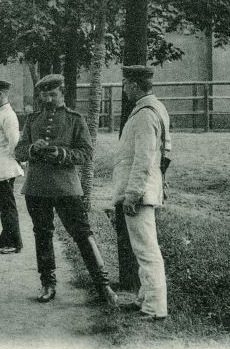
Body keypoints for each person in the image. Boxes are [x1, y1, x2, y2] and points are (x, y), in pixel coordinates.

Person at [15, 74, 117, 306]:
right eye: (44, 95)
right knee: (42, 234)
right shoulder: (33, 120)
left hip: (67, 188)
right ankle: (48, 284)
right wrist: (33, 148)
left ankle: (103, 286)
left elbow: (86, 153)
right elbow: (19, 151)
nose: (48, 99)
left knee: (82, 233)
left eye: (53, 94)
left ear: (62, 94)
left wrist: (62, 154)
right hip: (37, 187)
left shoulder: (75, 119)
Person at [111, 65, 171, 320]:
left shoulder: (146, 114)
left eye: (125, 84)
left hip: (140, 193)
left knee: (146, 250)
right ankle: (145, 299)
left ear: (134, 85)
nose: (124, 89)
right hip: (145, 190)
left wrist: (132, 193)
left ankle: (155, 307)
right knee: (143, 248)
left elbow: (144, 159)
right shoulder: (153, 108)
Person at [0, 80, 25, 254]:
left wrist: (13, 162)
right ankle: (5, 239)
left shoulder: (8, 115)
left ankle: (15, 243)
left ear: (1, 94)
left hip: (5, 166)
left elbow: (14, 142)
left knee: (7, 205)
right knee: (3, 204)